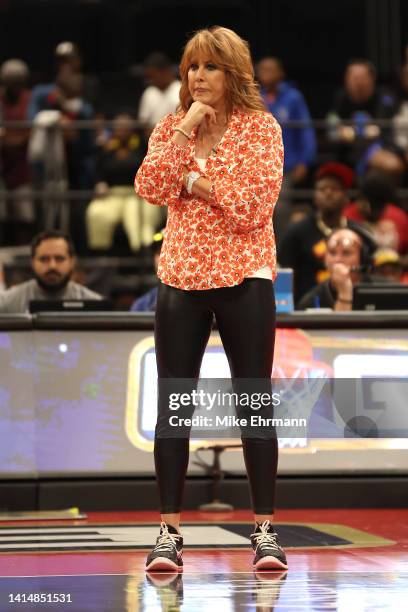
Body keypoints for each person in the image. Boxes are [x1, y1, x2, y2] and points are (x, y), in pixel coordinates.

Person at [134, 26, 288, 573]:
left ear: (234, 73)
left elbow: (251, 210)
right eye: (192, 66)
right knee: (174, 409)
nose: (198, 76)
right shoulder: (173, 125)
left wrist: (193, 183)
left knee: (254, 405)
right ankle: (168, 534)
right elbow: (150, 187)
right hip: (180, 276)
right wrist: (185, 139)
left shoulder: (261, 130)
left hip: (245, 276)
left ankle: (265, 531)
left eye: (211, 67)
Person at [278, 162, 376, 305]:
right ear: (315, 196)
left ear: (346, 197)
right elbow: (287, 275)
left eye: (334, 189)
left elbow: (367, 276)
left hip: (354, 307)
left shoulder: (359, 234)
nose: (328, 193)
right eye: (322, 189)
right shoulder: (297, 232)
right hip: (307, 308)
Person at [256, 57, 316, 241]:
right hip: (258, 166)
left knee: (279, 207)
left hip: (286, 166)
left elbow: (305, 129)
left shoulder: (293, 97)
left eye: (271, 70)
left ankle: (281, 251)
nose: (266, 74)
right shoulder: (254, 97)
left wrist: (304, 162)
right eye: (263, 70)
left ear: (281, 73)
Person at [86, 112, 160, 253]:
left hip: (137, 194)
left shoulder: (143, 146)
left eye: (126, 127)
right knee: (96, 212)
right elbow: (98, 171)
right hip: (112, 194)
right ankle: (101, 257)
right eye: (119, 127)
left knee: (136, 218)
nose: (122, 130)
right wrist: (100, 183)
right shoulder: (106, 148)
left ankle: (142, 255)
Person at [0, 230, 101, 313]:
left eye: (59, 258)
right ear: (32, 262)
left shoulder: (95, 305)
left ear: (72, 262)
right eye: (44, 259)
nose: (52, 266)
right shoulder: (7, 303)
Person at [327, 59, 396, 172]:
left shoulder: (384, 98)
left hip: (379, 152)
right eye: (353, 78)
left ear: (372, 79)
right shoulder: (340, 98)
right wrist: (338, 131)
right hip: (346, 155)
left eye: (362, 78)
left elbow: (384, 131)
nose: (358, 83)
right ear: (346, 79)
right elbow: (332, 125)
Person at [297, 228, 374, 310]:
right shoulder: (310, 301)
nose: (338, 259)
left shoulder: (381, 291)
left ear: (362, 259)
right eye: (332, 253)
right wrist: (344, 292)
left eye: (346, 253)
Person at [0, 59, 34, 244]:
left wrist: (7, 136)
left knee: (25, 214)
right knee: (2, 214)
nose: (13, 87)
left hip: (23, 167)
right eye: (9, 82)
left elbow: (29, 133)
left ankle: (25, 258)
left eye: (17, 82)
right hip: (2, 166)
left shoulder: (29, 99)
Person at [344, 170, 408, 254]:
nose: (358, 203)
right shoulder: (347, 215)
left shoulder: (398, 218)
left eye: (362, 199)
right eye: (359, 198)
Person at [138, 52, 181, 138]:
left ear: (165, 72)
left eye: (153, 76)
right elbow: (143, 124)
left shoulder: (181, 90)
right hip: (153, 143)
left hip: (178, 141)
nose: (150, 80)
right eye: (148, 77)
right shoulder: (149, 92)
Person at [130, 231, 163, 311]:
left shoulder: (194, 304)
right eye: (160, 252)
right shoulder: (141, 305)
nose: (163, 257)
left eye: (170, 250)